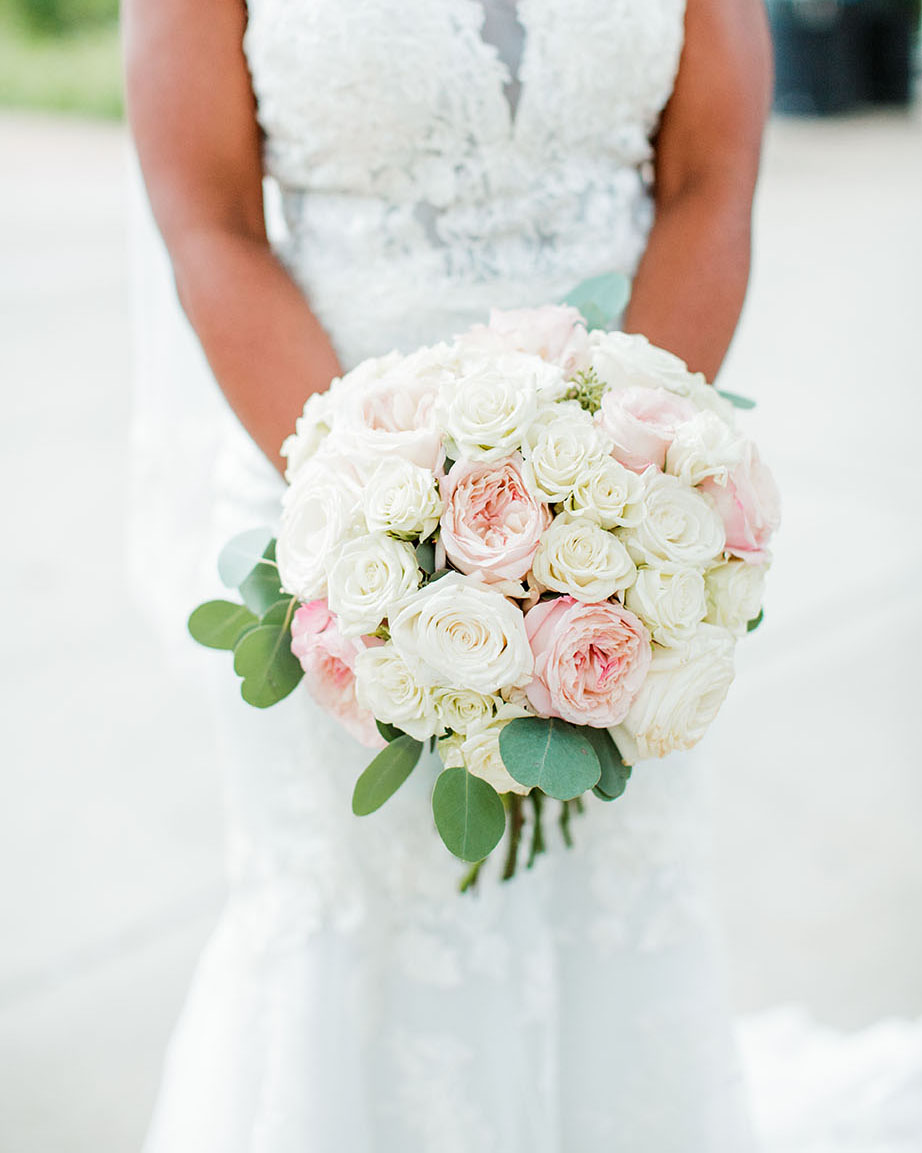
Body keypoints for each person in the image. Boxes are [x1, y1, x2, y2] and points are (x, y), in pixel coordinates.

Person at [124, 1, 772, 1149]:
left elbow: (710, 180)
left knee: (610, 904)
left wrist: (621, 518)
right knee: (354, 925)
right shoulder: (344, 539)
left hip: (619, 517)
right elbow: (207, 220)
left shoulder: (620, 534)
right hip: (319, 502)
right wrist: (383, 554)